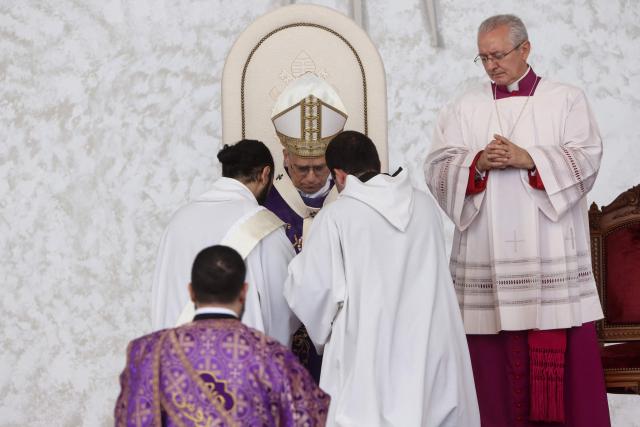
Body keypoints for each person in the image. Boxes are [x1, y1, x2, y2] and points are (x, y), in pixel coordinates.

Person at [424, 14, 609, 426]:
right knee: (490, 374)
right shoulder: (464, 106)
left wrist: (530, 159)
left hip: (548, 251)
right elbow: (437, 166)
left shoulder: (566, 99)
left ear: (525, 49)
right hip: (486, 254)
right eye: (483, 57)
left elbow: (588, 157)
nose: (491, 65)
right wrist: (476, 163)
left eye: (498, 54)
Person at [284, 130, 480, 427]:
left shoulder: (337, 217)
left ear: (339, 175)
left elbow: (312, 291)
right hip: (429, 348)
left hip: (367, 352)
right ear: (376, 162)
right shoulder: (425, 207)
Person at [116, 245, 329, 426]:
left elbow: (133, 418)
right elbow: (310, 417)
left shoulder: (149, 351)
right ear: (243, 292)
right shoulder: (273, 356)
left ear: (191, 292)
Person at [151, 139, 298, 347]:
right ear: (265, 175)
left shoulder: (178, 221)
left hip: (178, 362)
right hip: (241, 363)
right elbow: (285, 305)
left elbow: (162, 294)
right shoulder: (266, 227)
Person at [264, 72, 349, 381]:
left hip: (338, 339)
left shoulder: (350, 205)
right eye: (302, 168)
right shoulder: (265, 207)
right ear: (285, 157)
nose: (312, 177)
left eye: (320, 168)